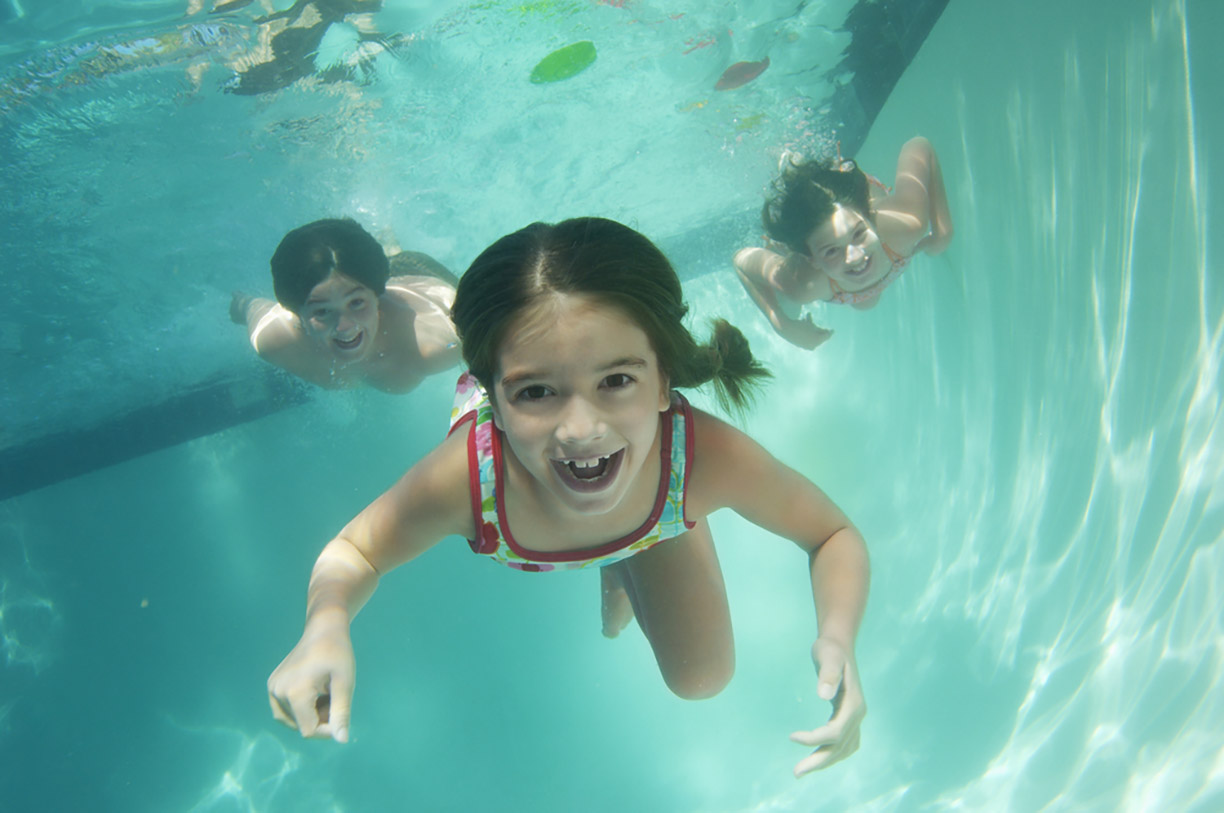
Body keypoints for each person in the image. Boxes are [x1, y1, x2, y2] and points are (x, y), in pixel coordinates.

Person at [266, 217, 870, 777]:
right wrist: (325, 625)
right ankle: (624, 547)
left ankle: (637, 541)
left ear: (663, 381)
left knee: (702, 678)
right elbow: (355, 552)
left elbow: (831, 533)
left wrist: (839, 637)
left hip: (661, 498)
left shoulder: (698, 458)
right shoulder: (471, 480)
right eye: (535, 393)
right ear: (493, 400)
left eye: (617, 380)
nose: (581, 429)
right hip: (624, 486)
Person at [733, 136, 953, 350]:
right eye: (831, 251)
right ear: (811, 259)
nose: (855, 256)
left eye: (859, 234)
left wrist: (943, 233)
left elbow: (919, 146)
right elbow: (740, 260)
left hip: (849, 193)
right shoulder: (804, 284)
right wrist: (782, 324)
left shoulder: (907, 226)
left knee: (866, 302)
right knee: (794, 306)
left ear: (870, 219)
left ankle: (798, 166)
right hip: (824, 252)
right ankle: (789, 164)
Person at [230, 218, 460, 393]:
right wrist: (238, 304)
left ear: (377, 296)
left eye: (356, 304)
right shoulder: (274, 340)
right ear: (296, 312)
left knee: (394, 259)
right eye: (322, 311)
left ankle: (390, 247)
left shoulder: (436, 344)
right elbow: (247, 306)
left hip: (414, 276)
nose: (345, 326)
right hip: (363, 282)